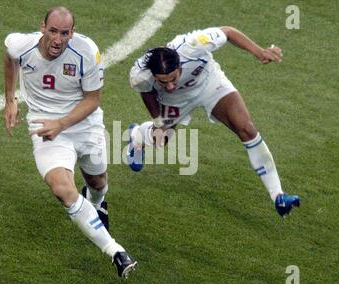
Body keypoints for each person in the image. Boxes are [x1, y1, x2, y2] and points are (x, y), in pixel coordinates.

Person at [3, 6, 137, 278]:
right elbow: (9, 57)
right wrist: (10, 100)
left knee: (97, 182)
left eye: (64, 33)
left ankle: (97, 202)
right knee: (62, 189)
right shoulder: (22, 45)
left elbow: (93, 100)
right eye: (53, 31)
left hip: (84, 125)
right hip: (45, 127)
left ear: (72, 33)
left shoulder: (87, 52)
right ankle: (116, 252)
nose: (57, 39)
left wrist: (62, 124)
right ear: (42, 27)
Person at [128, 26, 300, 217]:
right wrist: (158, 121)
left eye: (173, 78)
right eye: (163, 82)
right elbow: (147, 91)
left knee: (247, 129)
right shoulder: (140, 74)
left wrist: (259, 52)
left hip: (209, 84)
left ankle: (278, 195)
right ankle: (137, 137)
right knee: (160, 140)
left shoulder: (194, 46)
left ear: (180, 66)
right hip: (175, 101)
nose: (169, 85)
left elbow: (227, 32)